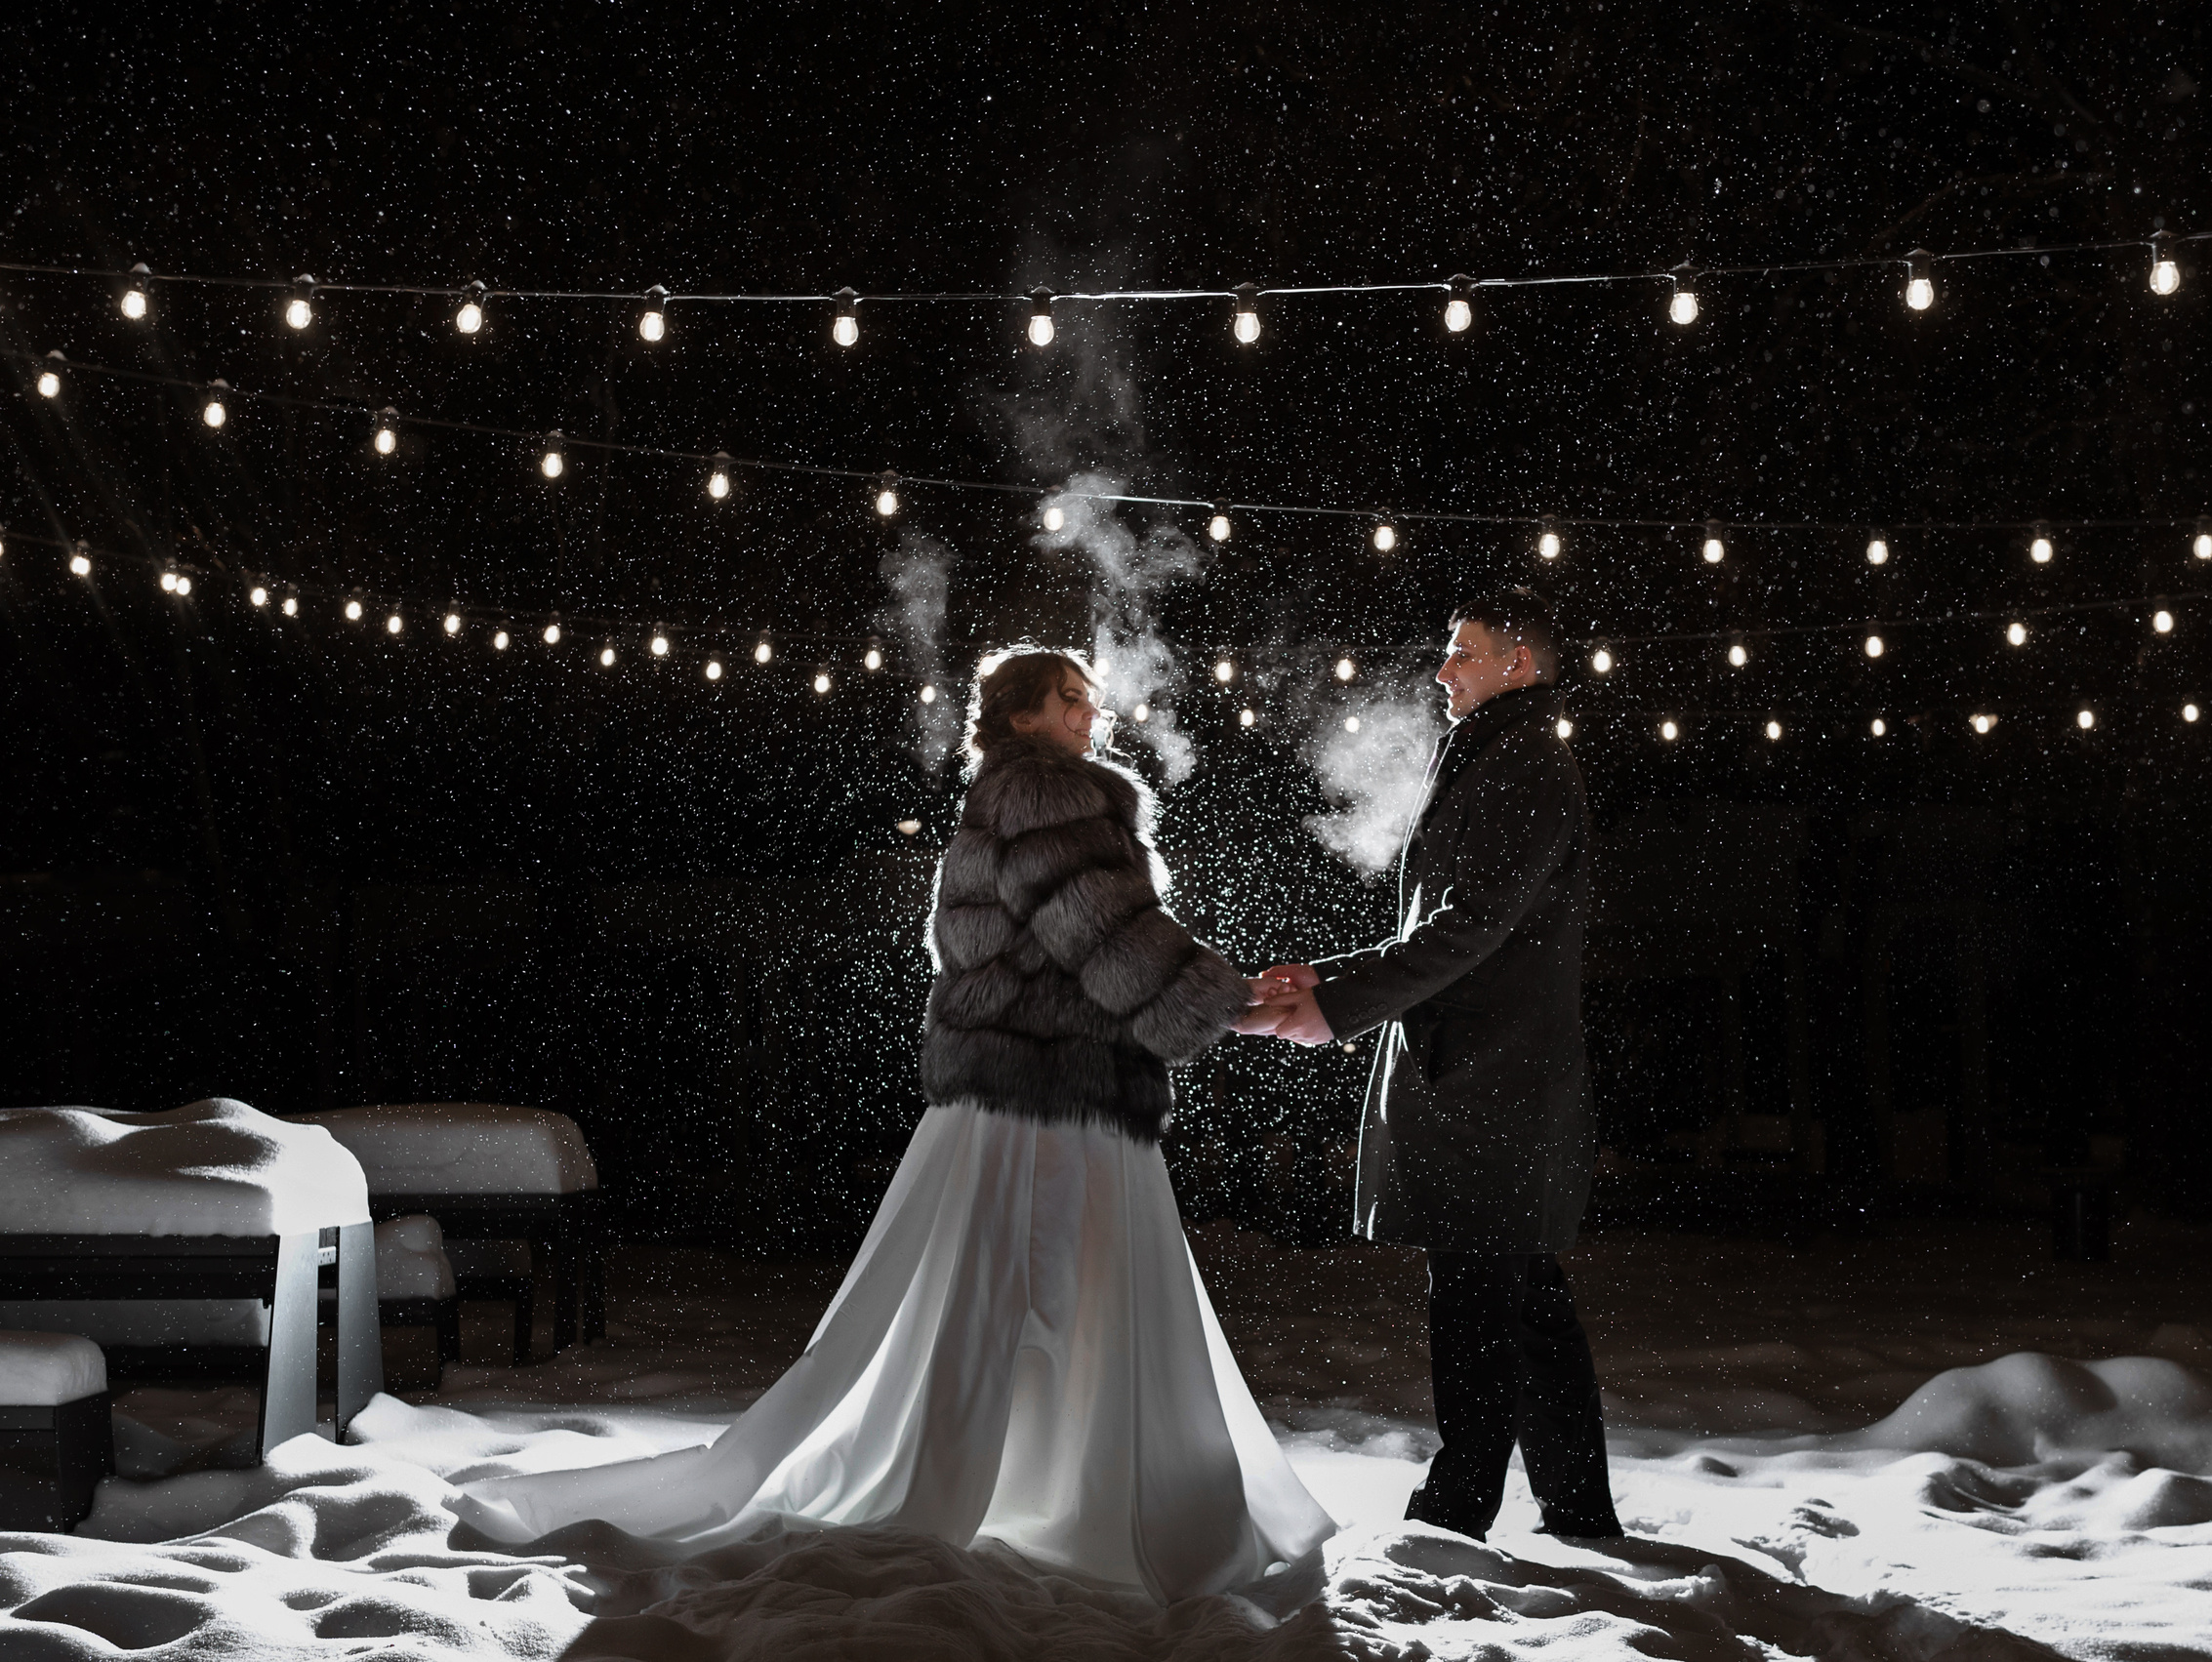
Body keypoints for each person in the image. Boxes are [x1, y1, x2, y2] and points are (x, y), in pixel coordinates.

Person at [453, 647, 1334, 1605]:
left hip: (1022, 1090)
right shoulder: (1048, 796)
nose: (1090, 712)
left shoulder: (1001, 798)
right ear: (1023, 716)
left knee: (996, 1302)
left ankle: (1037, 1481)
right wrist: (1230, 1000)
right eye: (1068, 698)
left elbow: (1033, 943)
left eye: (1089, 697)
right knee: (1056, 1295)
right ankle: (1081, 1493)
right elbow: (1107, 934)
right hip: (1051, 1094)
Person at [1249, 588, 1619, 1541]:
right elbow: (1440, 929)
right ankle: (1578, 1508)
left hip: (1492, 1083)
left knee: (1476, 1304)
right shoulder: (1496, 758)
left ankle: (1458, 1509)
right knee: (1517, 1297)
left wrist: (1333, 1006)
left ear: (1518, 666)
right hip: (1480, 1077)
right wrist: (1324, 978)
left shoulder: (1527, 765)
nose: (1442, 668)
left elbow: (1469, 929)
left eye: (1464, 650)